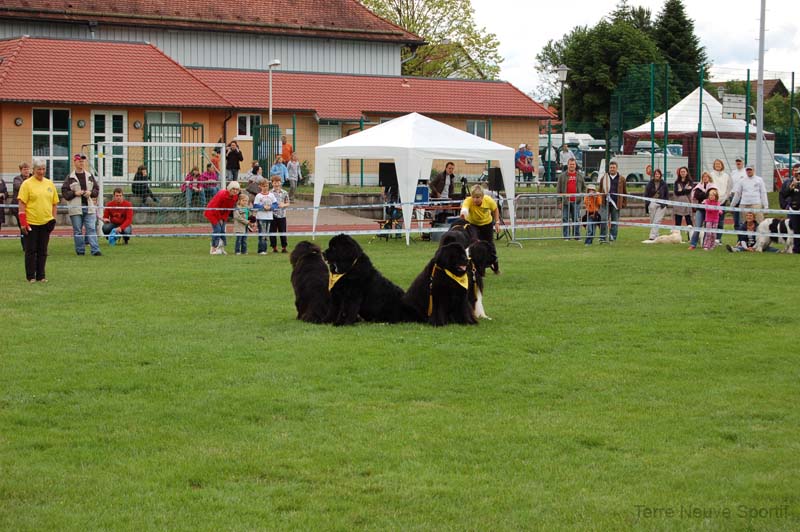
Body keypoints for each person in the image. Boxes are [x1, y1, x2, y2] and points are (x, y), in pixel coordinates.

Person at [17, 158, 59, 282]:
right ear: (33, 170)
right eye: (39, 169)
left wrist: (53, 219)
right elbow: (21, 203)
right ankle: (30, 276)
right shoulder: (27, 184)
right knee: (30, 250)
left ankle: (41, 276)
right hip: (31, 223)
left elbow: (54, 203)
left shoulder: (49, 184)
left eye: (43, 169)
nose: (41, 172)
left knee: (43, 250)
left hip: (46, 222)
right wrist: (23, 222)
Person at [62, 153, 101, 256]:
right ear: (74, 162)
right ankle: (80, 251)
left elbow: (96, 189)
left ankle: (95, 250)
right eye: (79, 160)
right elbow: (65, 193)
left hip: (89, 207)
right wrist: (75, 193)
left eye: (83, 161)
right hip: (76, 208)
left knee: (91, 229)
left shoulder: (89, 176)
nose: (81, 162)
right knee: (78, 231)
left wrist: (91, 193)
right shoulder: (69, 177)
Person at [460, 184, 500, 273]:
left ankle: (495, 264)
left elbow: (495, 209)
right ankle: (477, 266)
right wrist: (463, 213)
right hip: (473, 224)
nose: (475, 200)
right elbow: (464, 209)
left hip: (487, 224)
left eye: (477, 197)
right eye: (473, 197)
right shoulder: (468, 201)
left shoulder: (488, 200)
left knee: (489, 244)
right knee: (475, 242)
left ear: (482, 197)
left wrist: (497, 222)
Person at [204, 180, 241, 255]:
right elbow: (215, 207)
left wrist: (223, 218)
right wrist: (219, 218)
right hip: (212, 212)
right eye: (233, 189)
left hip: (222, 214)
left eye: (237, 189)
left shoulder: (235, 197)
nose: (235, 191)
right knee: (217, 229)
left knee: (223, 231)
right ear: (229, 189)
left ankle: (221, 247)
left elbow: (228, 209)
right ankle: (213, 248)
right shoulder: (222, 194)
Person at [597, 161, 627, 243]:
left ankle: (612, 237)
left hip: (616, 203)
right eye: (611, 168)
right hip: (605, 202)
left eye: (614, 167)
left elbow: (624, 192)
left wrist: (623, 203)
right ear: (609, 169)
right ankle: (603, 237)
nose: (612, 169)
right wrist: (599, 201)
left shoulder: (622, 179)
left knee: (614, 221)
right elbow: (600, 190)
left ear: (616, 168)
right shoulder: (604, 178)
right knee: (603, 219)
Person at [557, 157, 585, 240]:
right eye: (570, 164)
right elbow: (558, 190)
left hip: (576, 202)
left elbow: (584, 187)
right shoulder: (562, 176)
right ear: (568, 165)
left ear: (575, 165)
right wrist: (559, 202)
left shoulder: (580, 176)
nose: (572, 166)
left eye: (573, 164)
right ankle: (566, 237)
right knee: (565, 219)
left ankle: (577, 236)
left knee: (576, 219)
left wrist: (581, 196)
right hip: (565, 202)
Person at [688, 171, 716, 250]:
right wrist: (706, 195)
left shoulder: (713, 186)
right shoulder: (698, 186)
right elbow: (697, 195)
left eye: (706, 176)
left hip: (710, 210)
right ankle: (693, 244)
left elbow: (712, 196)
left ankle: (706, 244)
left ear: (709, 178)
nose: (705, 178)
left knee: (708, 228)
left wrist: (704, 195)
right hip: (700, 209)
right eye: (704, 176)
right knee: (697, 227)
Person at [779, 164, 800, 254]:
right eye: (796, 173)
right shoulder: (791, 183)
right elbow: (783, 194)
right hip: (794, 210)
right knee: (795, 230)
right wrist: (791, 188)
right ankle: (796, 249)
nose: (797, 174)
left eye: (799, 173)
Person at [709, 159, 732, 243]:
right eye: (716, 164)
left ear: (722, 165)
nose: (718, 165)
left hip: (723, 201)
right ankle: (711, 237)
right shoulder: (711, 175)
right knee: (711, 221)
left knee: (721, 221)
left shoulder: (726, 175)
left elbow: (728, 188)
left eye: (719, 164)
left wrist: (725, 197)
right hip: (713, 201)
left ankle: (718, 239)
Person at [644, 168, 669, 241]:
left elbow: (667, 195)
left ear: (660, 175)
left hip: (661, 204)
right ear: (653, 175)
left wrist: (665, 204)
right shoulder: (649, 184)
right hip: (652, 203)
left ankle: (652, 236)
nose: (657, 175)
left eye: (658, 174)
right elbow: (646, 194)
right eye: (656, 174)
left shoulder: (664, 184)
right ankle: (656, 234)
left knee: (657, 220)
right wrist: (647, 203)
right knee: (652, 220)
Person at [12, 161, 32, 249]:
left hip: (31, 207)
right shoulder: (17, 179)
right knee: (23, 227)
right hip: (19, 208)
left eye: (27, 169)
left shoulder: (33, 177)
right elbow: (18, 187)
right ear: (21, 170)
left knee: (32, 227)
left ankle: (32, 246)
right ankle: (25, 247)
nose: (26, 171)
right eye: (24, 169)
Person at [269, 174, 290, 253]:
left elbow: (288, 203)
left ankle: (284, 247)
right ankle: (274, 247)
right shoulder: (270, 193)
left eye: (278, 182)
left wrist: (283, 205)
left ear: (281, 183)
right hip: (272, 215)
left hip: (282, 215)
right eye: (274, 182)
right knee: (272, 231)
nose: (276, 184)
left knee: (283, 231)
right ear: (272, 183)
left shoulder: (284, 192)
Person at [253, 179, 273, 255]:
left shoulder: (271, 195)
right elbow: (255, 205)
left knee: (266, 234)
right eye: (263, 186)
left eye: (266, 186)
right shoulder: (258, 196)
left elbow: (275, 204)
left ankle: (264, 249)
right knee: (262, 233)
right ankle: (261, 250)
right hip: (261, 217)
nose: (265, 187)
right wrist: (263, 207)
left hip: (269, 217)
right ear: (260, 186)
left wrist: (270, 207)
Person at [673, 166, 694, 233]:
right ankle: (676, 237)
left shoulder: (690, 181)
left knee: (689, 221)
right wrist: (684, 189)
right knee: (678, 222)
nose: (682, 173)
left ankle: (690, 237)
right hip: (678, 204)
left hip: (687, 204)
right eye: (681, 172)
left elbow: (689, 191)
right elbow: (676, 192)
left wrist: (681, 190)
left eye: (684, 171)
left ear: (687, 172)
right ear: (679, 173)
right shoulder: (676, 182)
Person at [729, 156, 747, 228]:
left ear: (743, 162)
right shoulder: (733, 173)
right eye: (737, 161)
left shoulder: (746, 172)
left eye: (740, 161)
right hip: (733, 195)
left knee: (741, 218)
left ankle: (743, 236)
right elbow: (730, 184)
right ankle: (739, 237)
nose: (738, 163)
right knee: (736, 219)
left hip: (743, 196)